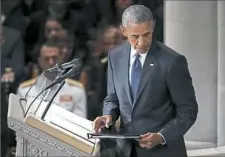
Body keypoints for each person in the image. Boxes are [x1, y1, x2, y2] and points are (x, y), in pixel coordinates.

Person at [93, 5, 198, 157]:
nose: (142, 42)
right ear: (124, 31)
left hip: (163, 152)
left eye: (147, 34)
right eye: (135, 36)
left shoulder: (172, 62)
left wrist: (162, 136)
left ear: (153, 27)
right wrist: (108, 116)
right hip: (125, 151)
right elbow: (112, 98)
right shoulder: (115, 56)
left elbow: (188, 111)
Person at [17, 40, 87, 118]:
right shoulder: (25, 90)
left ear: (61, 59)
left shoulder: (76, 90)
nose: (51, 63)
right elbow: (20, 122)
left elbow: (80, 122)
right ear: (39, 61)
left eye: (54, 58)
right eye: (46, 59)